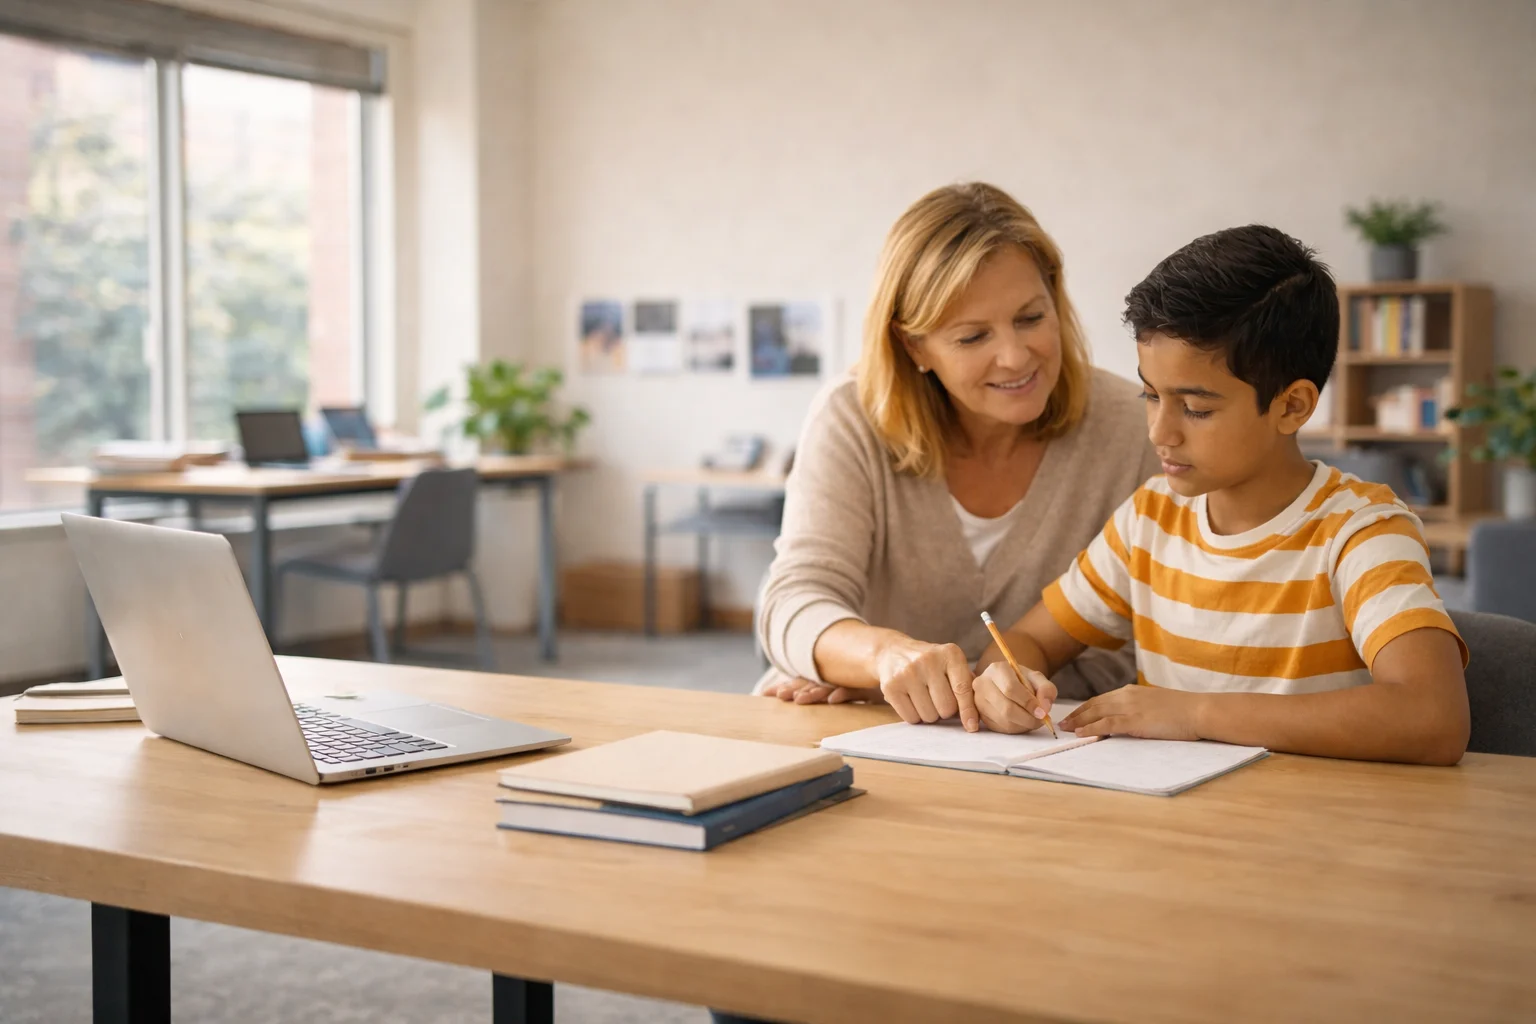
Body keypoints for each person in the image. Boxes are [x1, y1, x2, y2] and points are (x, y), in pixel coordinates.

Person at [969, 224, 1470, 765]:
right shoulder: (1149, 518)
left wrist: (1195, 714)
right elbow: (1026, 641)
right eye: (1150, 395)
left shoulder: (1362, 532)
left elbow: (1433, 718)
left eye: (1196, 409)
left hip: (1314, 812)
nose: (1160, 432)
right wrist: (1004, 679)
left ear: (1292, 406)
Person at [753, 182, 1161, 722]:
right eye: (973, 337)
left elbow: (1140, 641)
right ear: (913, 345)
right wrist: (879, 661)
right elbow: (792, 601)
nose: (1015, 357)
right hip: (860, 722)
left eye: (1031, 318)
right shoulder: (851, 417)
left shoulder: (1132, 424)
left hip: (1051, 737)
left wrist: (976, 690)